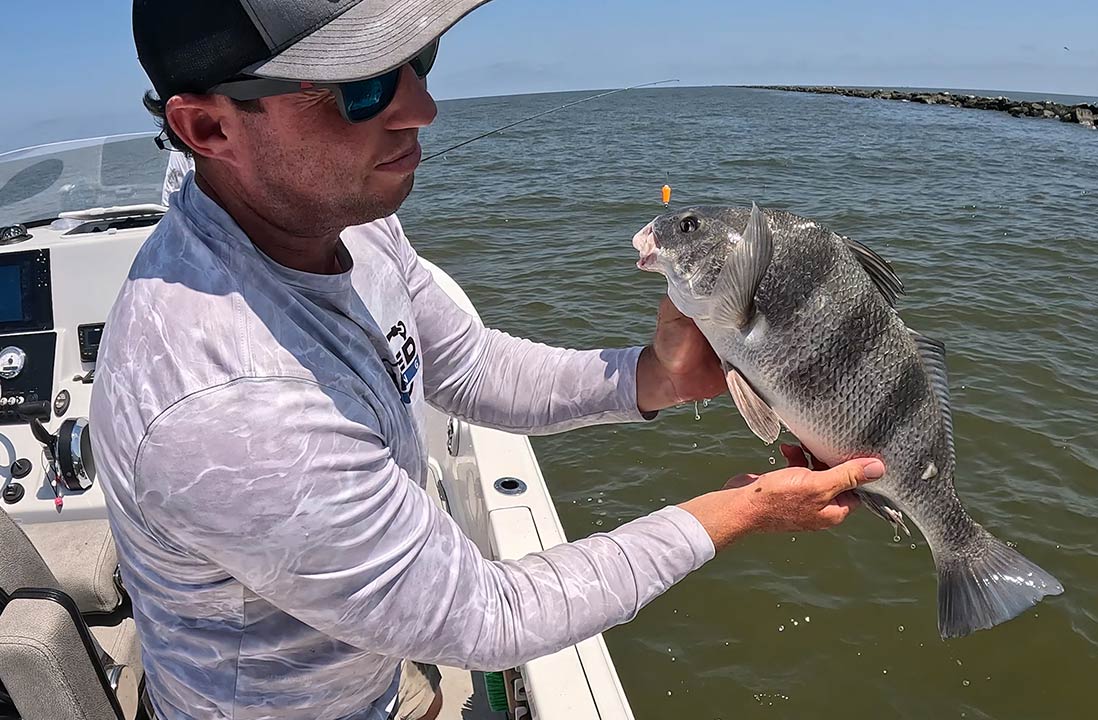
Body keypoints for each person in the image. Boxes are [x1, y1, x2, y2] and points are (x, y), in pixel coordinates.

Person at [92, 1, 885, 719]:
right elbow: (487, 616)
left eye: (418, 58)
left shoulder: (338, 219)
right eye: (360, 85)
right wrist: (740, 510)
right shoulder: (231, 409)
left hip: (370, 663)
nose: (422, 107)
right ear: (209, 130)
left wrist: (656, 376)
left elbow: (465, 367)